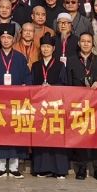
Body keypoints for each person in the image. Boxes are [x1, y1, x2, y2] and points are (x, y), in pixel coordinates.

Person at [0, 26, 31, 178]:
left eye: (9, 38)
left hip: (16, 102)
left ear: (13, 39)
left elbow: (27, 77)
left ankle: (15, 165)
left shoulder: (19, 57)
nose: (6, 40)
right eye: (3, 38)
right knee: (0, 131)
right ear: (0, 39)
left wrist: (25, 85)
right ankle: (1, 165)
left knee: (15, 131)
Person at [65, 31, 97, 180]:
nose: (85, 44)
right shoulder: (71, 61)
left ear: (93, 44)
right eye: (83, 41)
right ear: (79, 44)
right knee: (80, 136)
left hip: (96, 106)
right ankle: (82, 168)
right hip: (77, 105)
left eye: (88, 41)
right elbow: (66, 82)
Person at [29, 38, 70, 178]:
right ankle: (42, 168)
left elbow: (64, 85)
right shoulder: (35, 65)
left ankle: (59, 169)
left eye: (48, 46)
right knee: (41, 136)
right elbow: (31, 85)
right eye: (43, 46)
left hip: (55, 106)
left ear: (53, 48)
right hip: (40, 106)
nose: (45, 49)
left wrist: (52, 89)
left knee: (56, 136)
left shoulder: (60, 65)